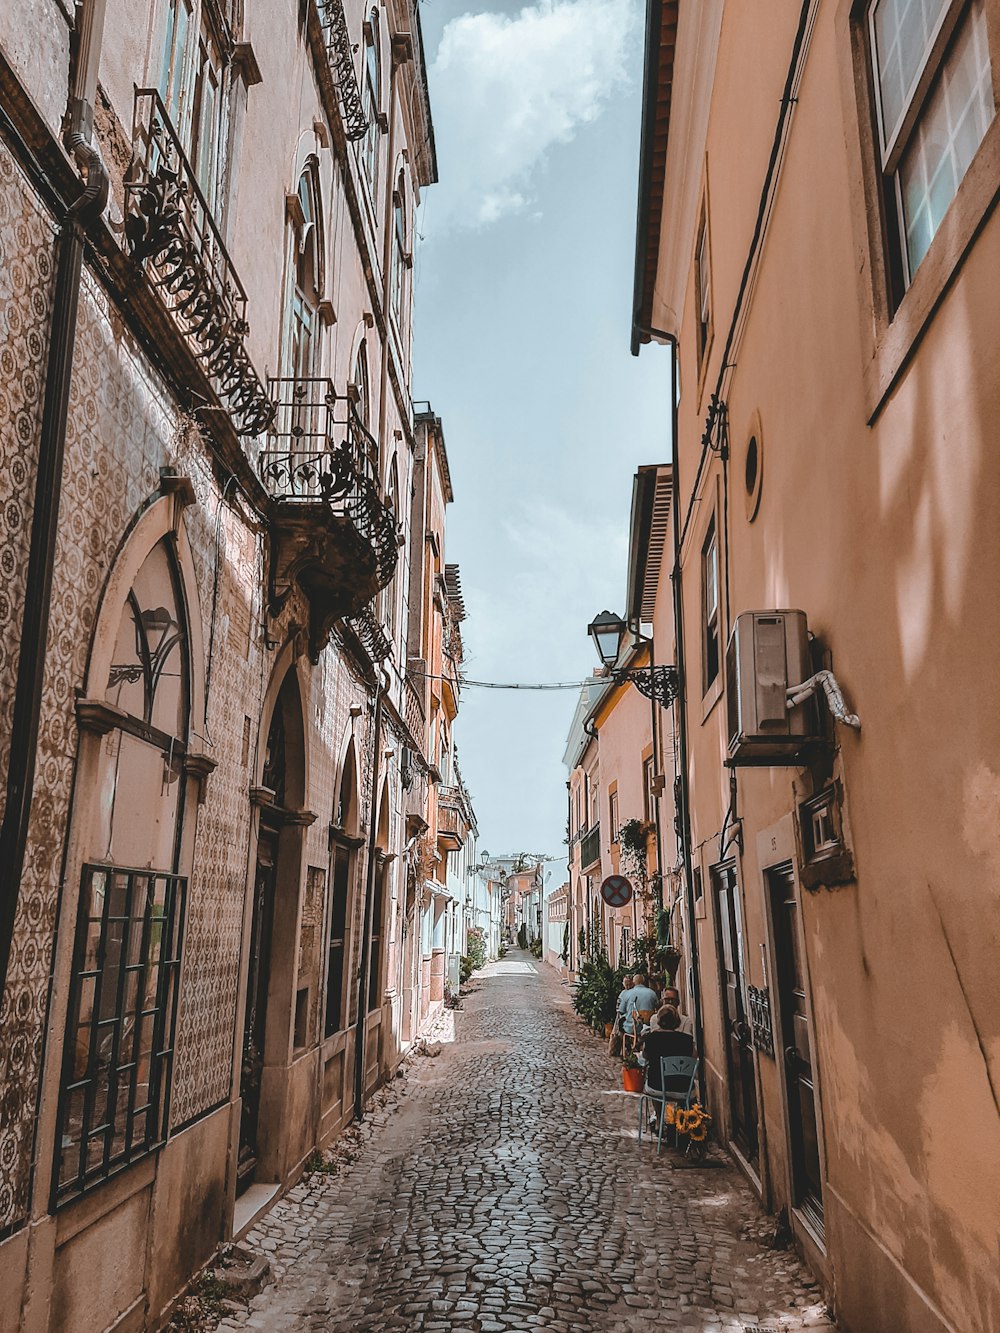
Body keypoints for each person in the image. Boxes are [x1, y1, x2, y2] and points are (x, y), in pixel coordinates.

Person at [639, 1006, 695, 1131]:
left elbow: (644, 1057)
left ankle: (659, 1118)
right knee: (678, 1080)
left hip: (657, 1087)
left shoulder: (652, 1038)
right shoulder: (686, 1040)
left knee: (656, 1084)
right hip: (683, 1088)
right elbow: (693, 1058)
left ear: (658, 1021)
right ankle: (680, 1121)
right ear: (677, 1022)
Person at [622, 972, 659, 1037]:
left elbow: (621, 1010)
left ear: (633, 983)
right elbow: (658, 1007)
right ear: (643, 982)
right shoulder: (652, 993)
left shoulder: (627, 993)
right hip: (649, 1026)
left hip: (633, 1028)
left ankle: (626, 1044)